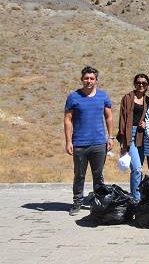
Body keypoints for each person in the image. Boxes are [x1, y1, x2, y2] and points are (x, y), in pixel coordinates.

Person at [64, 66, 114, 216]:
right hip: (79, 143)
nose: (89, 81)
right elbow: (67, 119)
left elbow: (109, 117)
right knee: (79, 175)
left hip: (99, 143)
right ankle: (77, 202)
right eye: (86, 78)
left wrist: (110, 137)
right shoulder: (73, 97)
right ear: (81, 79)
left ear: (96, 80)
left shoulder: (103, 96)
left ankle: (99, 203)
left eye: (92, 78)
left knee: (98, 176)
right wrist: (68, 141)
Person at [116, 73, 149, 202]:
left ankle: (135, 195)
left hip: (142, 136)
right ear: (134, 84)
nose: (141, 85)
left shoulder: (148, 100)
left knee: (139, 169)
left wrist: (146, 123)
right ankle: (136, 199)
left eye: (144, 83)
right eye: (139, 83)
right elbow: (122, 120)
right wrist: (123, 142)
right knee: (136, 168)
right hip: (130, 135)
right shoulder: (127, 98)